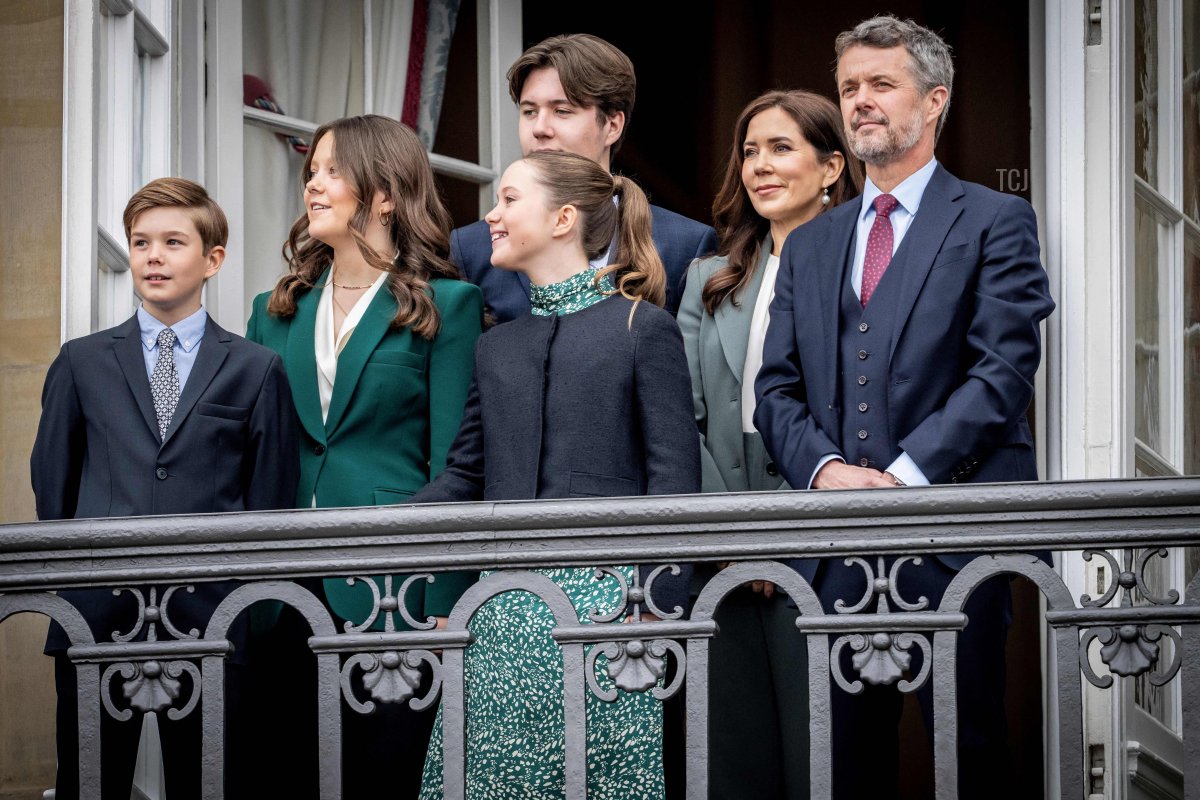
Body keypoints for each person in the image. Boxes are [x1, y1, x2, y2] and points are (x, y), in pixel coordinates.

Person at [754, 15, 1055, 799]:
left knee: (969, 754)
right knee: (845, 767)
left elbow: (1003, 372)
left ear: (934, 101)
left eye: (881, 84)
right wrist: (824, 470)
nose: (860, 100)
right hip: (834, 549)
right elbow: (774, 388)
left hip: (953, 536)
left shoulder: (994, 220)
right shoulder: (810, 244)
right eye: (849, 87)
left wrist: (904, 476)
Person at [413, 150, 700, 799]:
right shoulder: (496, 345)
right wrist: (368, 526)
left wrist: (656, 611)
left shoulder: (642, 327)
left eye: (509, 199)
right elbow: (463, 477)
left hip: (611, 617)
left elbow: (674, 485)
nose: (492, 215)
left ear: (563, 218)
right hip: (502, 613)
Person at [31, 177, 300, 799]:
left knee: (209, 784)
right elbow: (53, 485)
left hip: (212, 617)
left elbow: (271, 501)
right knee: (89, 784)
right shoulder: (81, 361)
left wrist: (246, 611)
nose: (153, 256)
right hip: (95, 616)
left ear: (212, 259)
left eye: (174, 242)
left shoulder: (256, 368)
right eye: (141, 242)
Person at [245, 114, 483, 797]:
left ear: (383, 194)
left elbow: (453, 464)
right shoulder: (273, 310)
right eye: (311, 172)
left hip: (396, 585)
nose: (313, 185)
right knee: (286, 773)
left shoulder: (447, 305)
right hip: (284, 585)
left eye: (332, 171)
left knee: (385, 773)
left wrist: (446, 593)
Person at [677, 89, 860, 799]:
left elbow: (855, 416)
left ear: (831, 167)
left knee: (822, 762)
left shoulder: (863, 274)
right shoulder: (707, 277)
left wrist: (783, 532)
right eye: (750, 151)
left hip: (821, 542)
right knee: (730, 762)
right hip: (716, 546)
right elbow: (680, 416)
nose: (759, 165)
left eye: (781, 148)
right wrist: (732, 532)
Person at [451, 33, 717, 323]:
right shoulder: (472, 248)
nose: (539, 128)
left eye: (561, 111)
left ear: (612, 125)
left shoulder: (686, 245)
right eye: (529, 111)